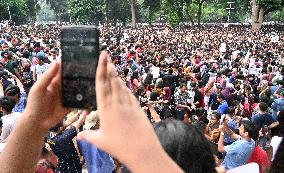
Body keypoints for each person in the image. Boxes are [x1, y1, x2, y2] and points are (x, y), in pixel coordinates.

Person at [0, 51, 184, 173]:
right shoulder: (75, 135)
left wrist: (36, 120)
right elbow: (78, 121)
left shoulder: (62, 139)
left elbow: (76, 123)